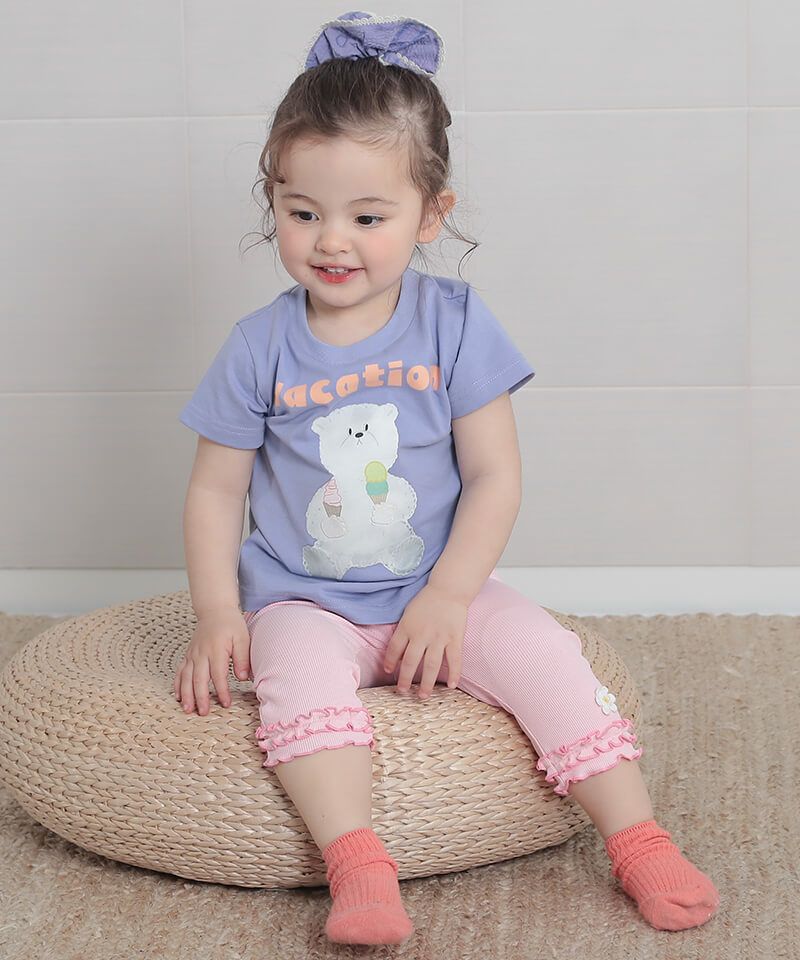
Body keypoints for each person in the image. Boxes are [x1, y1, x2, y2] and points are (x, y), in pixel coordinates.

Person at [173, 10, 720, 947]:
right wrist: (220, 612)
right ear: (274, 204)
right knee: (299, 685)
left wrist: (452, 596)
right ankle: (358, 864)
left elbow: (495, 474)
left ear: (431, 214)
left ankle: (638, 839)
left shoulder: (455, 322)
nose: (331, 241)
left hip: (437, 586)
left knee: (548, 656)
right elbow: (215, 490)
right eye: (303, 213)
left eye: (367, 217)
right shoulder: (258, 345)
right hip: (306, 597)